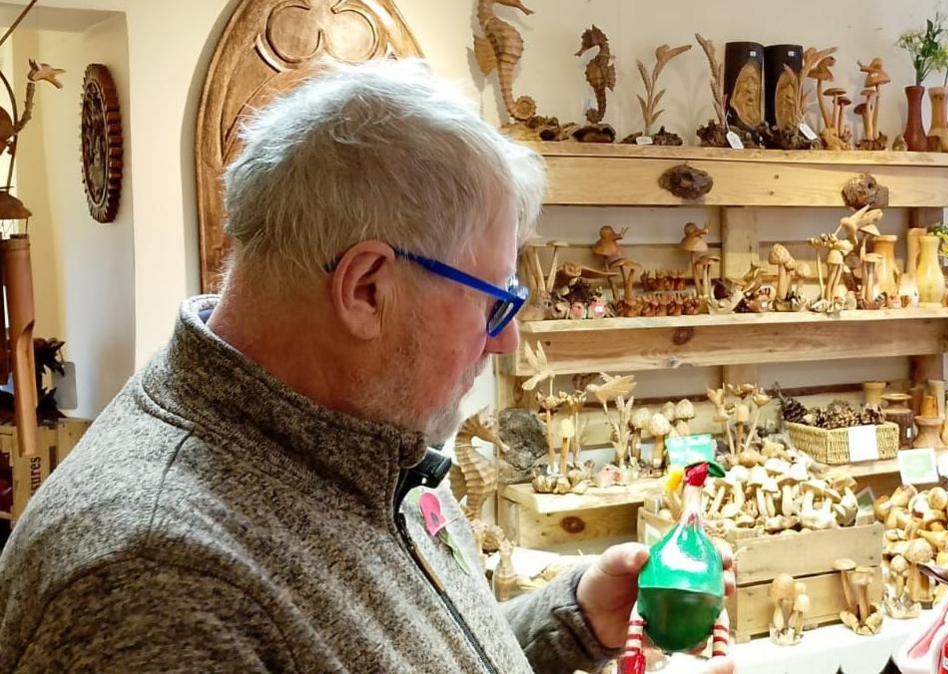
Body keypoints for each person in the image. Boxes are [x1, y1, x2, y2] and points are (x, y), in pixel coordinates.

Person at [0, 59, 734, 673]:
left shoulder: (361, 438)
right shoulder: (161, 589)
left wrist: (570, 622)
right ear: (366, 289)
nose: (504, 342)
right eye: (494, 302)